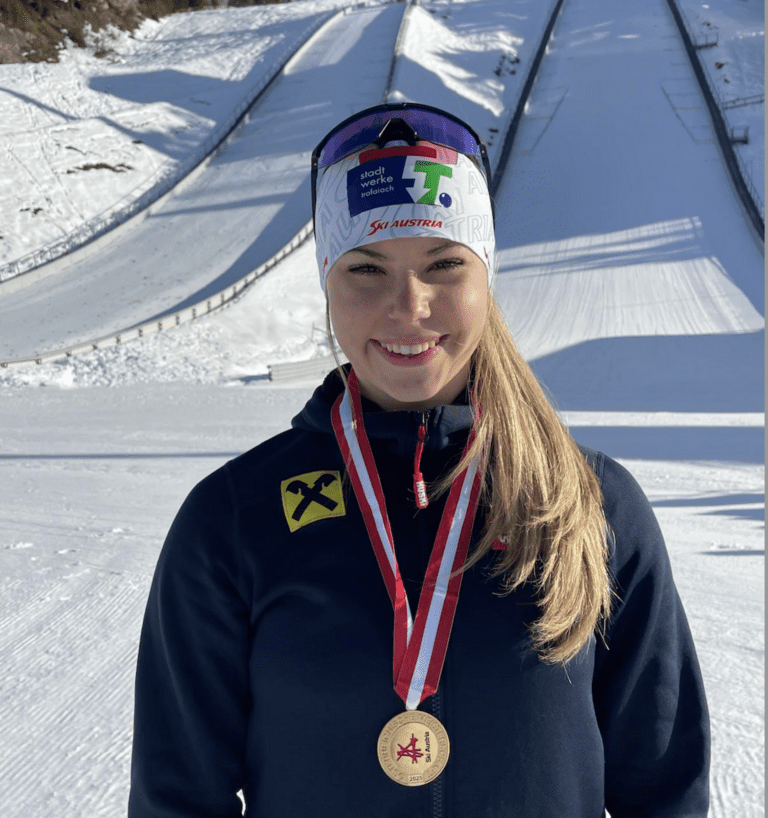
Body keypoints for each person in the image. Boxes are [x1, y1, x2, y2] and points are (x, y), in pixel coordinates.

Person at [128, 103, 710, 817]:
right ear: (326, 281)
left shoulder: (587, 502)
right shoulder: (235, 518)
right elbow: (178, 797)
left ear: (485, 275)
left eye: (443, 265)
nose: (409, 306)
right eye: (367, 268)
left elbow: (665, 789)